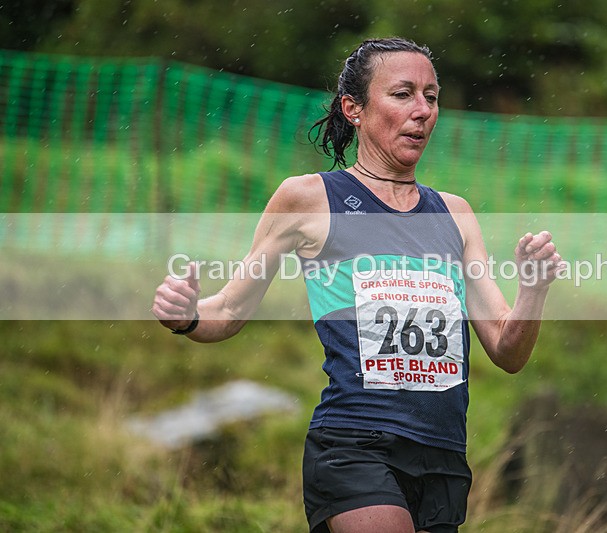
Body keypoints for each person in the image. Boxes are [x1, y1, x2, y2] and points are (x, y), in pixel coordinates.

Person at [152, 37, 564, 533]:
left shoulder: (455, 214)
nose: (422, 111)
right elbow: (230, 309)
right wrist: (189, 315)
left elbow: (507, 350)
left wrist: (534, 289)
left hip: (443, 455)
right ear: (354, 109)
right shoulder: (309, 199)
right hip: (354, 444)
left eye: (431, 97)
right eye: (403, 94)